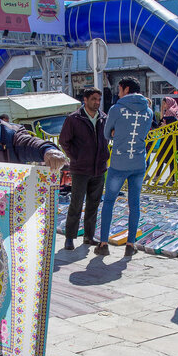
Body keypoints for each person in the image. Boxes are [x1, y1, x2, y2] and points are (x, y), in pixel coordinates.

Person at [95, 77, 153, 256]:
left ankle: (104, 244)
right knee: (134, 204)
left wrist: (116, 132)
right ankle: (130, 244)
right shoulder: (148, 112)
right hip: (138, 162)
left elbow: (106, 134)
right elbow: (143, 134)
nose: (118, 93)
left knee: (109, 202)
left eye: (119, 89)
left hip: (119, 163)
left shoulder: (116, 109)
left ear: (126, 89)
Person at [59, 87, 110, 250]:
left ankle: (88, 236)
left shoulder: (104, 118)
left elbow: (106, 138)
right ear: (85, 100)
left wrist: (104, 154)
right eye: (94, 99)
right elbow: (64, 141)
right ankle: (70, 237)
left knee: (93, 204)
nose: (97, 102)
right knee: (76, 204)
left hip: (99, 168)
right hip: (80, 169)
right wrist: (75, 157)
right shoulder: (74, 119)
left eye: (99, 100)